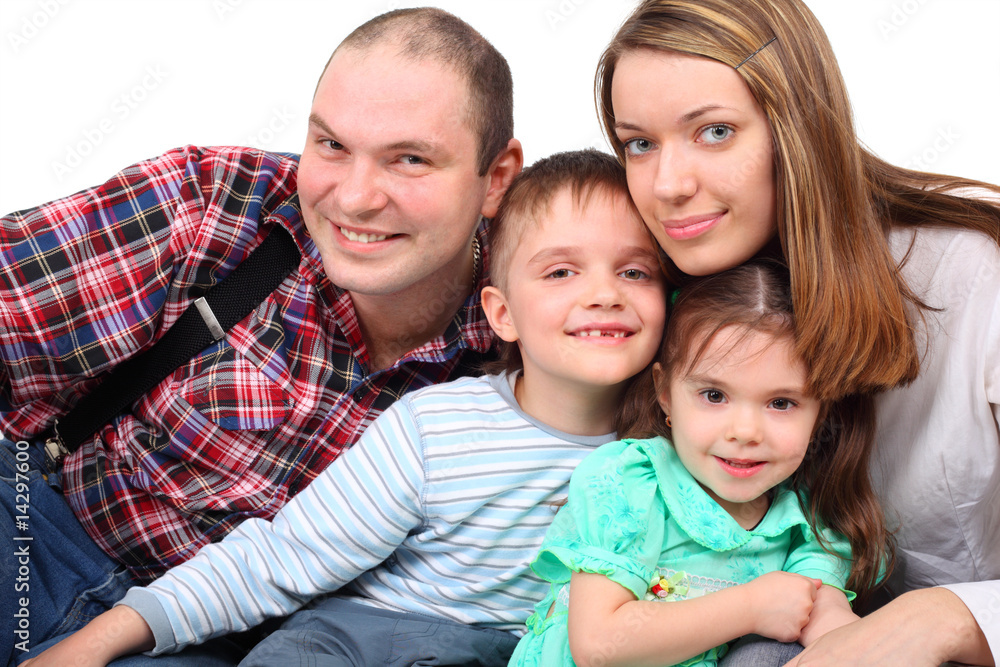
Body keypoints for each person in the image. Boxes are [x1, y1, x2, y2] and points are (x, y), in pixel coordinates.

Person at [0, 7, 525, 665]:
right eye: (332, 145)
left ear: (497, 177)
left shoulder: (536, 329)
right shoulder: (219, 202)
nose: (354, 198)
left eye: (410, 159)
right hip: (39, 533)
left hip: (204, 645)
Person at [19, 149, 667, 666]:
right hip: (358, 642)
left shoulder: (677, 456)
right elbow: (281, 557)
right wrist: (106, 636)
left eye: (635, 272)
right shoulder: (437, 430)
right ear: (500, 312)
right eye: (561, 272)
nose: (605, 294)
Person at [594, 1, 1000, 665]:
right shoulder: (649, 300)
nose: (667, 184)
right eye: (639, 143)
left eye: (715, 131)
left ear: (798, 128)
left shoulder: (973, 272)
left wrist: (948, 613)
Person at [508, 260, 893, 667]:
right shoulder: (631, 484)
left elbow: (826, 619)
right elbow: (598, 644)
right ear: (666, 393)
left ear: (819, 414)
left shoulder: (805, 523)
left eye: (781, 403)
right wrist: (749, 607)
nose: (745, 432)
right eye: (713, 395)